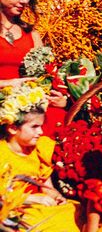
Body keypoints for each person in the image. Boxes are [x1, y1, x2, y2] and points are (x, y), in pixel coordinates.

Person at [0, 0, 66, 137]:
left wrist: (60, 97)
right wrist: (9, 84)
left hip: (30, 109)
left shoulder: (31, 34)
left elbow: (47, 76)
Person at [0, 83, 80, 231]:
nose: (41, 132)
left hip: (43, 205)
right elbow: (3, 196)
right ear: (12, 128)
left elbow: (46, 185)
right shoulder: (3, 154)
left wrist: (55, 196)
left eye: (41, 126)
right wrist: (33, 199)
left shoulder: (37, 148)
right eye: (34, 127)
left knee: (79, 212)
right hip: (18, 210)